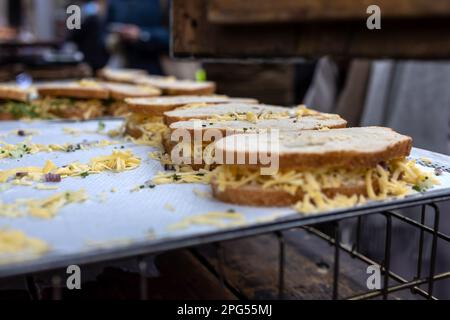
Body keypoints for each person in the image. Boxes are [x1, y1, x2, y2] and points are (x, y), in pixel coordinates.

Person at [106, 0, 170, 74]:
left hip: (151, 68)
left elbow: (171, 37)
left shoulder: (161, 2)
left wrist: (141, 34)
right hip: (119, 67)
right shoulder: (115, 2)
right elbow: (105, 29)